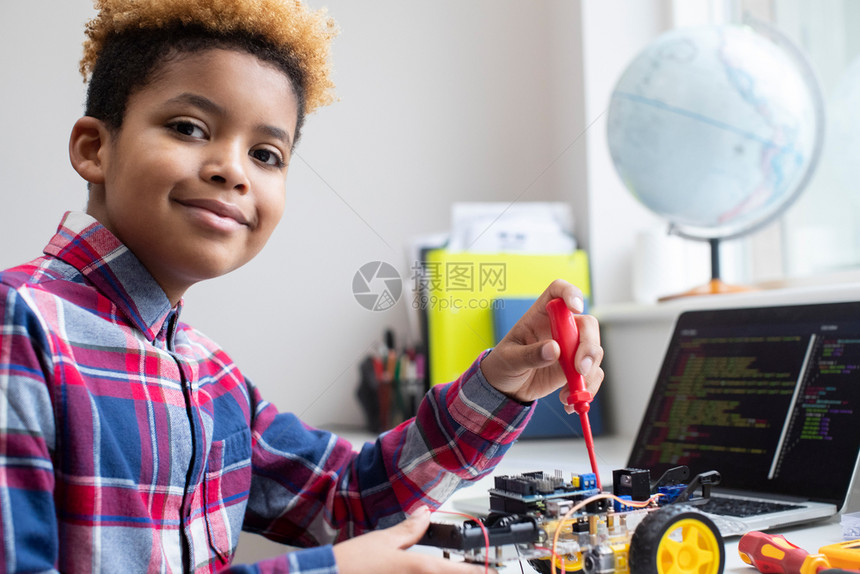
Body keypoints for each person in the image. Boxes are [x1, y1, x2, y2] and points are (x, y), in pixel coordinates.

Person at [0, 0, 604, 572]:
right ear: (94, 149)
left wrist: (502, 383)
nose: (232, 169)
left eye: (266, 154)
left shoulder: (212, 378)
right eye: (188, 127)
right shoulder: (17, 326)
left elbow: (350, 498)